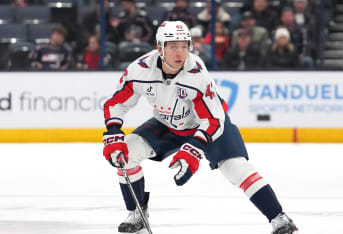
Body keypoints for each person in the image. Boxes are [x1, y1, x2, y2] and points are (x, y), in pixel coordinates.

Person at [102, 20, 299, 234]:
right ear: (160, 48)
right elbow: (116, 102)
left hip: (208, 125)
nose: (180, 52)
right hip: (167, 123)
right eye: (173, 46)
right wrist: (113, 132)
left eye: (184, 46)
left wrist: (194, 148)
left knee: (235, 168)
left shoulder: (196, 74)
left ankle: (279, 217)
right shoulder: (139, 70)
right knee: (126, 151)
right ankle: (137, 213)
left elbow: (212, 119)